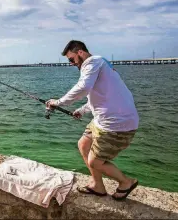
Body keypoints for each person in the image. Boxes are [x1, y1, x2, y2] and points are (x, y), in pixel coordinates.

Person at [46, 40, 139, 201]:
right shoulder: (100, 65)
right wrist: (82, 110)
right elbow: (101, 96)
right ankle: (98, 185)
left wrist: (58, 102)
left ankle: (126, 182)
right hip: (102, 120)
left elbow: (83, 87)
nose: (72, 63)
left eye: (71, 59)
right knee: (83, 144)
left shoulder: (92, 62)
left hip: (116, 124)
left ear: (80, 53)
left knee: (95, 162)